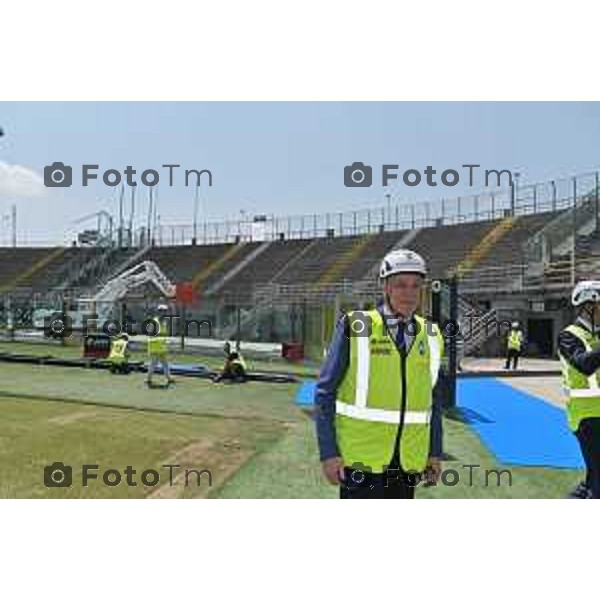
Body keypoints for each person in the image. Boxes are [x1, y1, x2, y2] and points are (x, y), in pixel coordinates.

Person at [314, 248, 444, 499]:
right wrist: (329, 453)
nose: (409, 293)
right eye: (400, 285)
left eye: (416, 286)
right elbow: (324, 392)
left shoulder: (432, 335)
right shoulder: (357, 325)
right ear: (385, 287)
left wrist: (434, 453)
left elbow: (433, 401)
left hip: (408, 459)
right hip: (360, 458)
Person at [558, 280, 600, 499]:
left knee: (593, 476)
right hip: (586, 417)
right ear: (588, 307)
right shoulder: (568, 336)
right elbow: (584, 365)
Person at [146, 303, 175, 388]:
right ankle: (148, 379)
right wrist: (160, 336)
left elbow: (163, 334)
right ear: (159, 312)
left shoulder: (164, 322)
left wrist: (166, 341)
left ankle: (169, 378)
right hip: (154, 347)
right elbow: (151, 333)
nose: (165, 313)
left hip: (162, 347)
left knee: (165, 364)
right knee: (153, 364)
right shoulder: (155, 322)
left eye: (166, 312)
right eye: (163, 312)